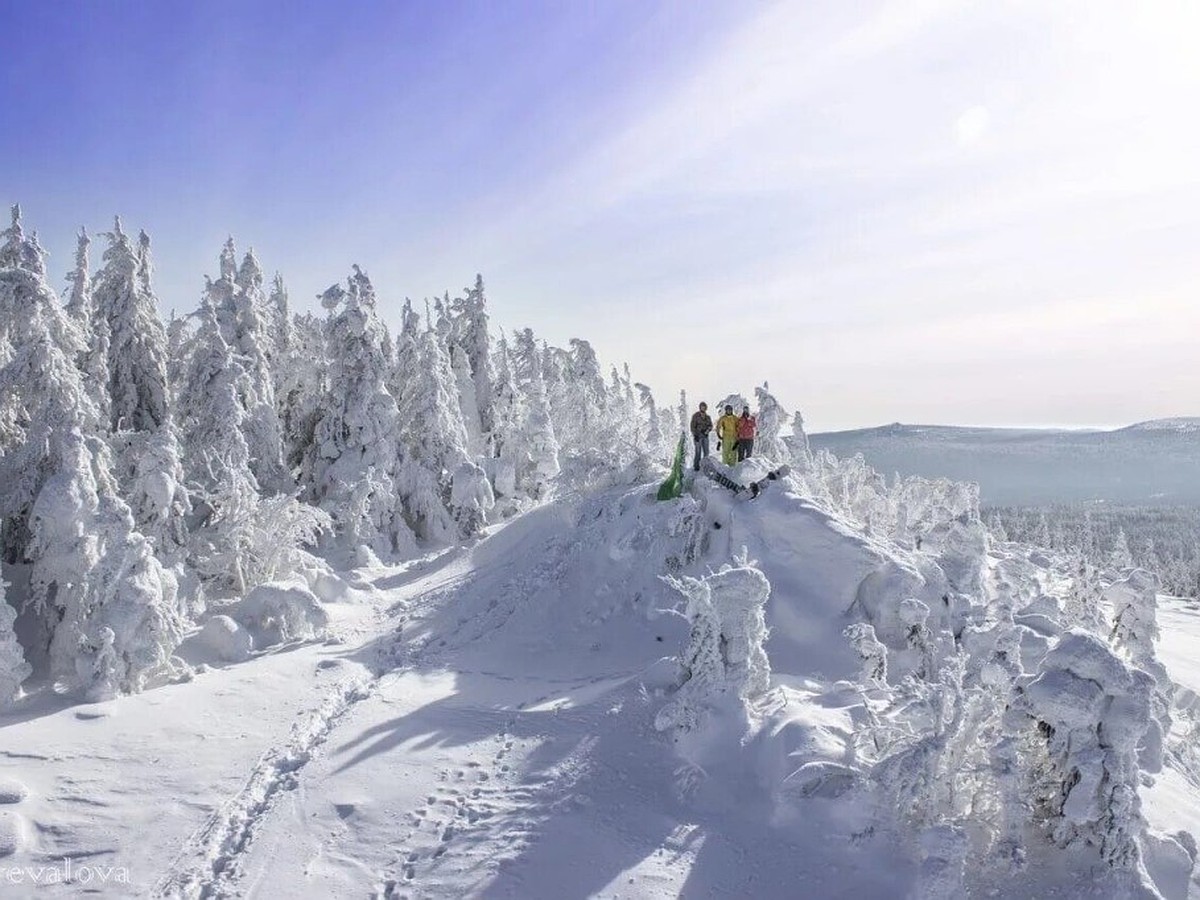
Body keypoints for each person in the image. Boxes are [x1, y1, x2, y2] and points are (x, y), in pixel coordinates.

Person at [689, 402, 713, 471]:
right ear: (700, 407)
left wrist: (707, 431)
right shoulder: (696, 416)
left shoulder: (708, 417)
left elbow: (711, 426)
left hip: (705, 436)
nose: (703, 408)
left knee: (706, 452)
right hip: (698, 436)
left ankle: (706, 466)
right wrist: (695, 435)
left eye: (704, 407)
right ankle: (696, 467)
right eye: (702, 407)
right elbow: (692, 426)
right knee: (698, 452)